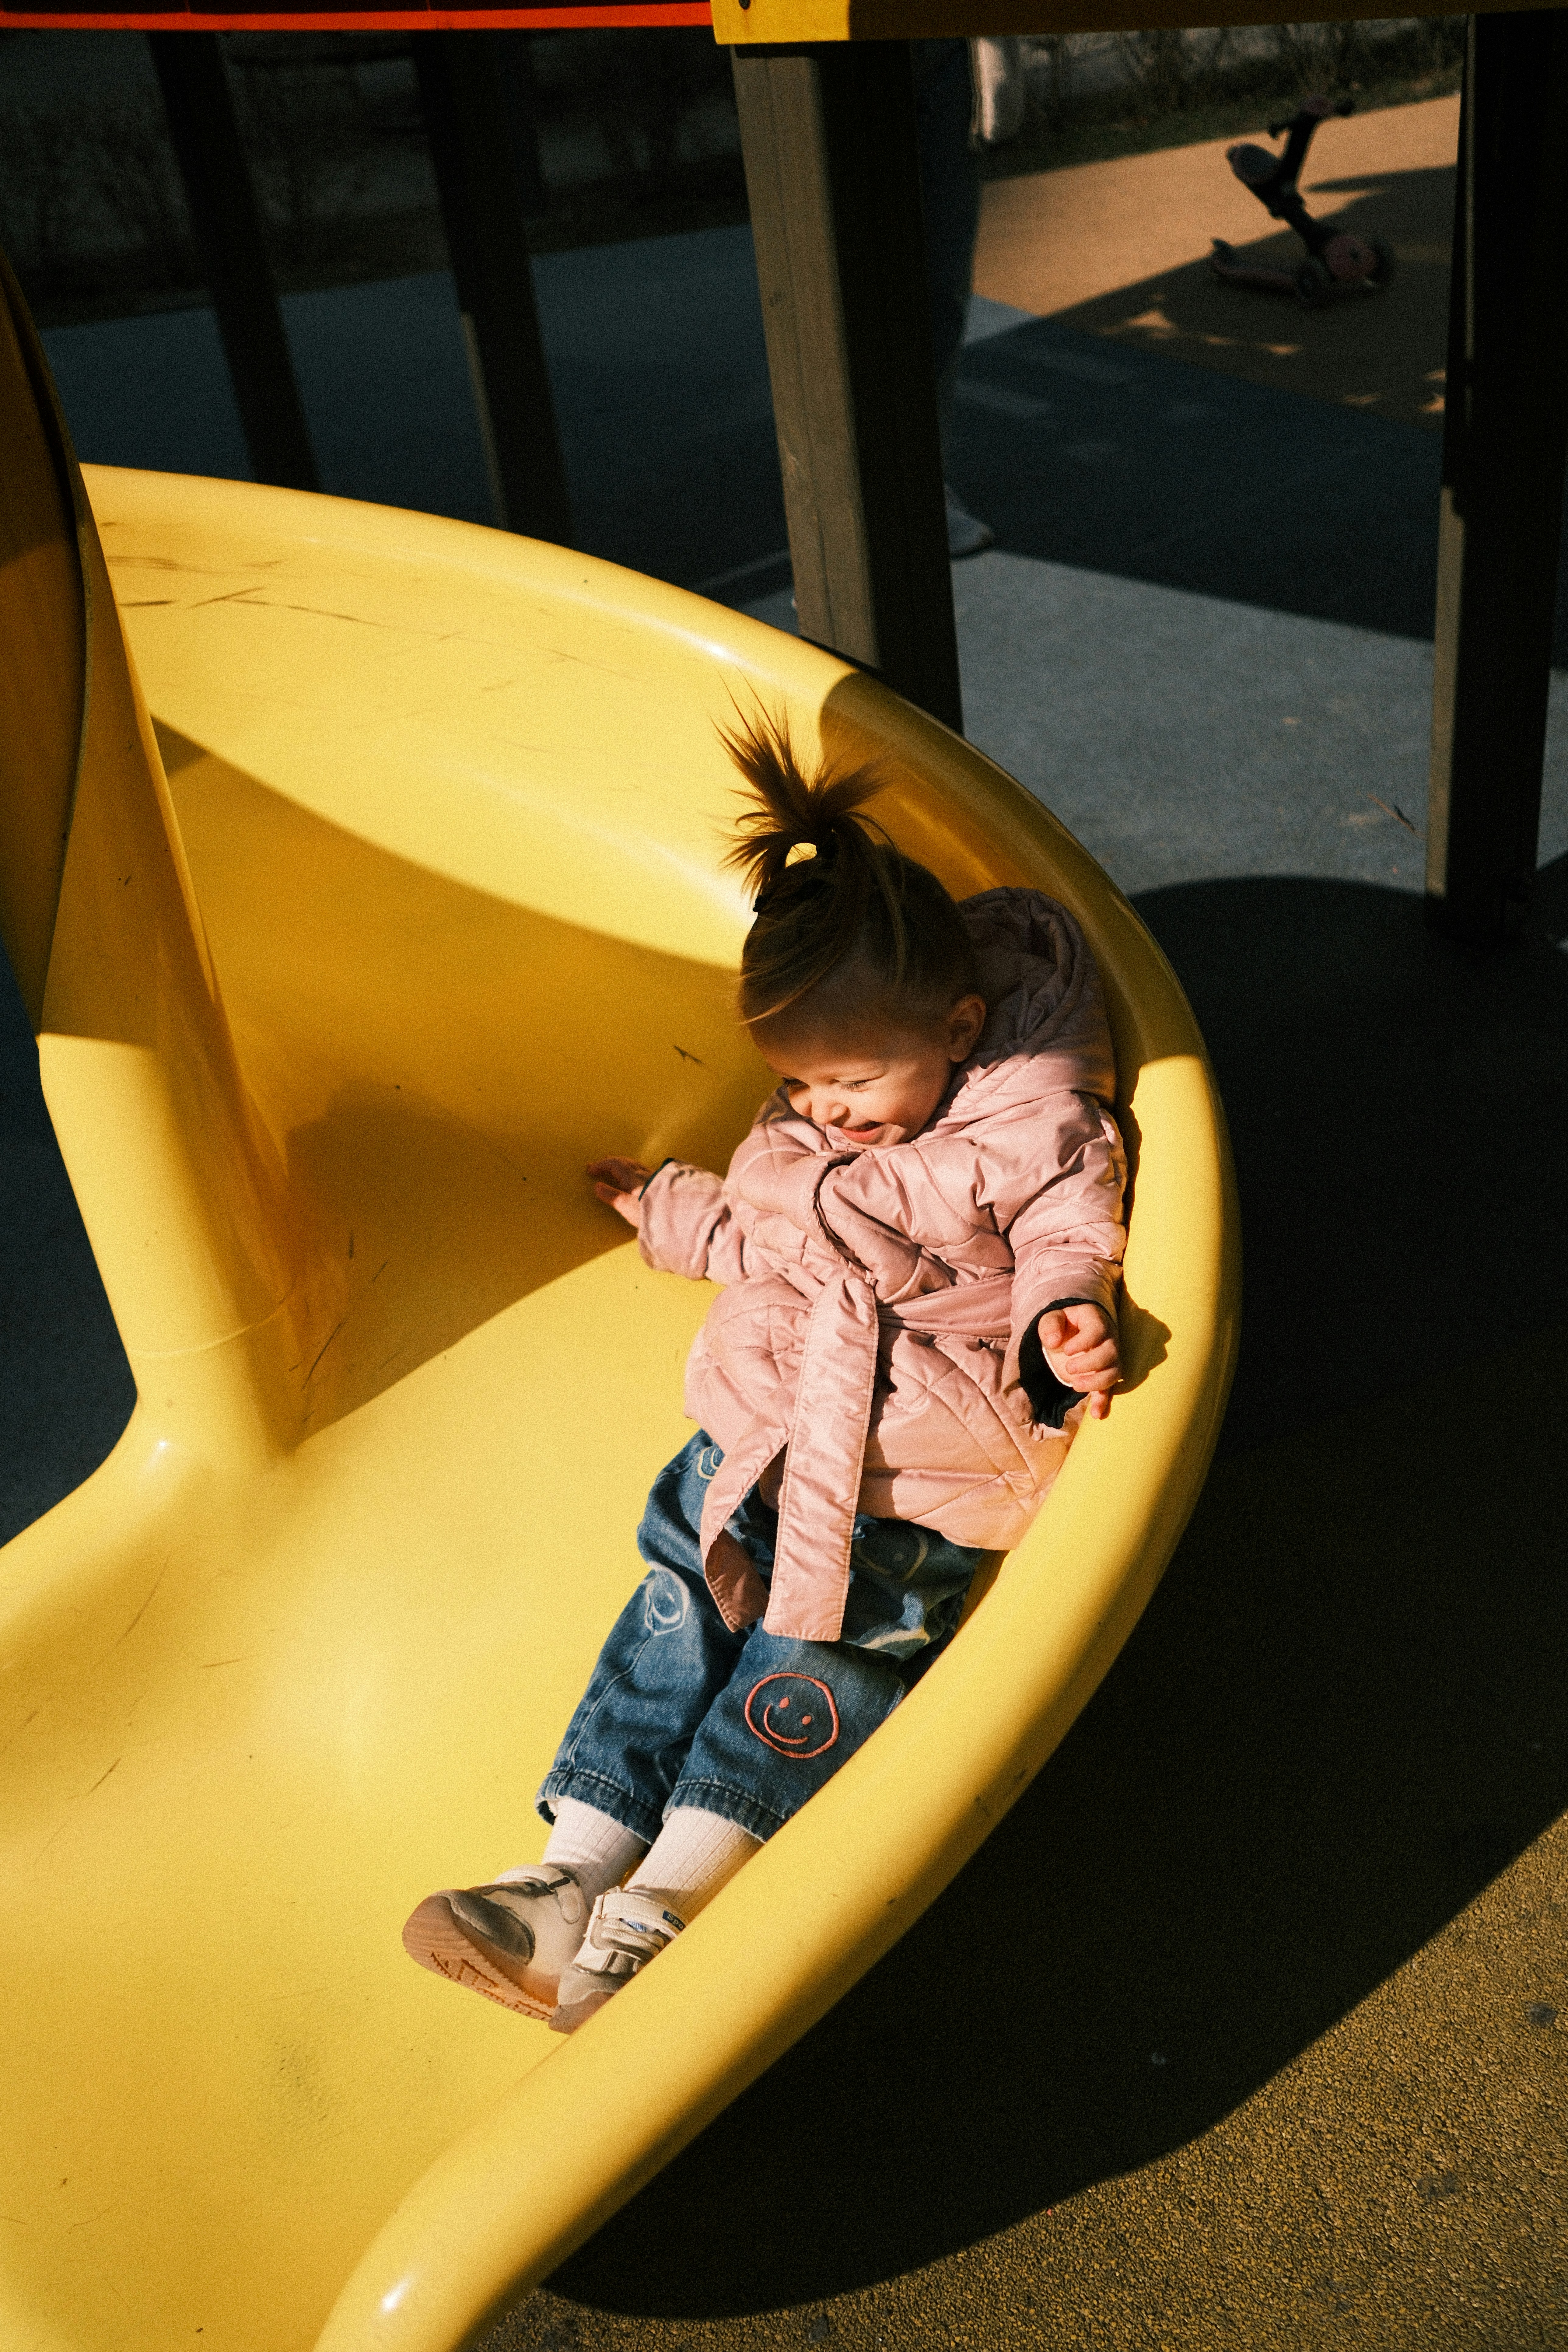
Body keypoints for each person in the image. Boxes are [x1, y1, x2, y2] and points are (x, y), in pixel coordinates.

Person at [403, 708, 1127, 2032]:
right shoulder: (807, 1113)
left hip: (905, 1475)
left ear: (961, 1023)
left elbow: (1069, 1232)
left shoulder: (1032, 1120)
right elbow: (762, 1224)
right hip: (759, 1426)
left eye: (849, 1079)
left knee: (813, 1663)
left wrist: (1062, 1318)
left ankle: (667, 1904)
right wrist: (675, 1213)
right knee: (676, 1611)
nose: (824, 1108)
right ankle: (565, 1872)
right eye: (799, 1085)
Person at [1210, 94, 1391, 307]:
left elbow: (1300, 132)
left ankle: (1319, 245)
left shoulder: (1297, 130)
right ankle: (1227, 265)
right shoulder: (1251, 163)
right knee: (1290, 202)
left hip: (1279, 183)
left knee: (1293, 200)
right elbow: (1298, 133)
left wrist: (1324, 114)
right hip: (1271, 184)